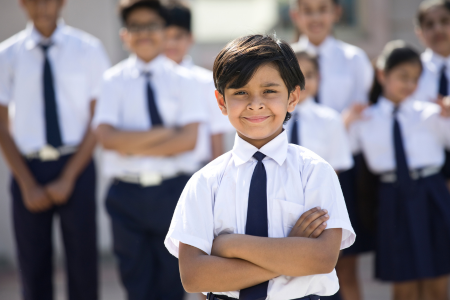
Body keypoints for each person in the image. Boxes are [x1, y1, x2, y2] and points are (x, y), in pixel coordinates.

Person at [165, 34, 355, 300]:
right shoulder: (205, 181)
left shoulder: (315, 172)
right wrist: (291, 251)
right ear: (221, 102)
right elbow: (195, 276)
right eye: (240, 92)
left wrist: (229, 245)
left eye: (269, 91)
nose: (255, 103)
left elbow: (322, 259)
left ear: (292, 97)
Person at [92, 0, 207, 299]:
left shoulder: (184, 79)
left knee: (173, 281)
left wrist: (128, 143)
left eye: (152, 26)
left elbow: (188, 141)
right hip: (125, 195)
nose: (144, 33)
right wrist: (164, 133)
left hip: (172, 193)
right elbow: (106, 138)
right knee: (135, 282)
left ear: (165, 31)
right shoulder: (112, 80)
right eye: (136, 27)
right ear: (124, 34)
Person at [0, 0, 110, 299]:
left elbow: (98, 119)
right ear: (22, 3)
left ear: (62, 2)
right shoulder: (7, 55)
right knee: (32, 265)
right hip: (28, 168)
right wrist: (26, 183)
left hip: (77, 164)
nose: (42, 6)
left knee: (83, 262)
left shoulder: (88, 49)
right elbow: (1, 125)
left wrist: (69, 177)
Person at [346, 40, 450, 300]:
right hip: (393, 201)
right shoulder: (365, 119)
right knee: (403, 286)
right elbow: (339, 152)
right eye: (403, 76)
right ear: (382, 74)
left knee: (437, 283)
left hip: (432, 196)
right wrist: (345, 122)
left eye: (415, 78)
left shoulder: (432, 113)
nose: (410, 84)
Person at [290, 2, 374, 299]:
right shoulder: (283, 57)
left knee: (344, 263)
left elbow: (362, 113)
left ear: (336, 13)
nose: (315, 17)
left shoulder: (353, 58)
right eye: (307, 10)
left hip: (340, 173)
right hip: (287, 182)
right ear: (295, 15)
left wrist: (337, 124)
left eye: (322, 9)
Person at [164, 0, 234, 163]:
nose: (171, 43)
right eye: (166, 36)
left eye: (177, 36)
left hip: (196, 169)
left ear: (190, 38)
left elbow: (216, 135)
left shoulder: (206, 81)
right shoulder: (148, 79)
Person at [287, 49, 353, 174]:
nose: (301, 82)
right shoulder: (271, 118)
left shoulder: (330, 120)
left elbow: (335, 167)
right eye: (294, 75)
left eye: (309, 75)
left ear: (319, 77)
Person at [414, 0, 450, 183]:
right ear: (419, 32)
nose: (438, 29)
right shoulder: (413, 73)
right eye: (429, 24)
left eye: (445, 21)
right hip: (428, 175)